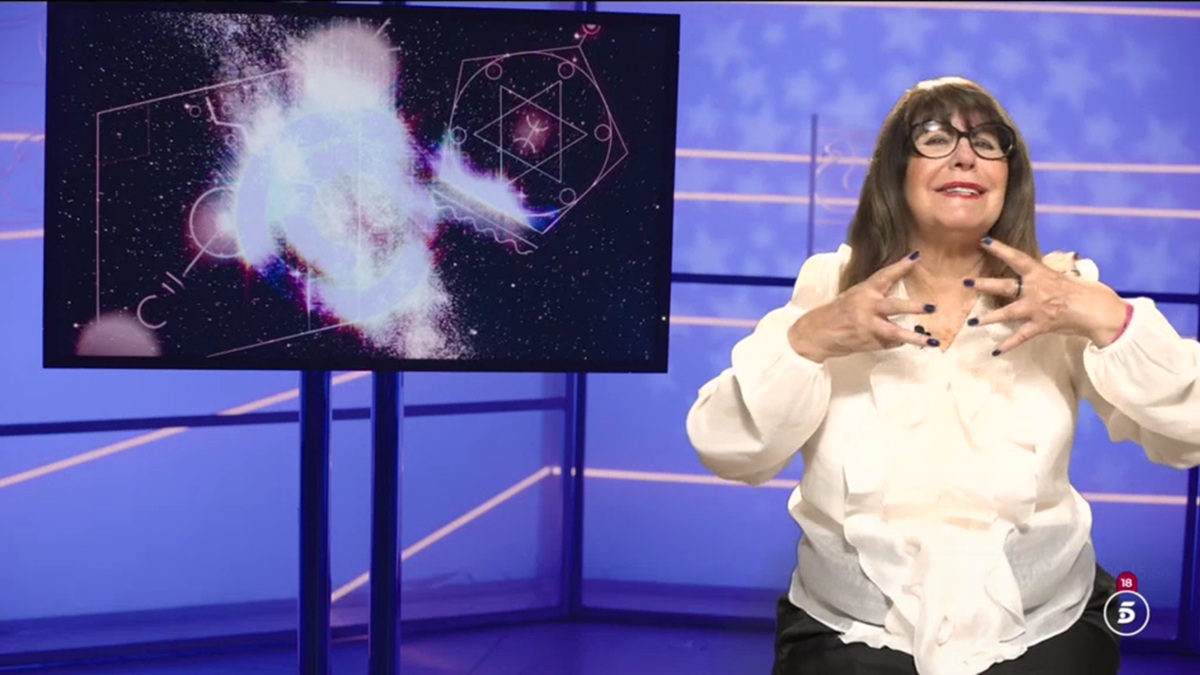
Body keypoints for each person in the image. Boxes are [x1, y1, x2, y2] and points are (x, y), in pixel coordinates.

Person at [684, 76, 1200, 675]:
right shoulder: (830, 286)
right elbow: (728, 450)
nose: (964, 156)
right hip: (852, 638)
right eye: (934, 137)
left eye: (987, 142)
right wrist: (810, 340)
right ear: (895, 172)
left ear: (1010, 176)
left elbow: (1189, 431)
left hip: (1042, 632)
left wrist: (1109, 319)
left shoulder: (1061, 289)